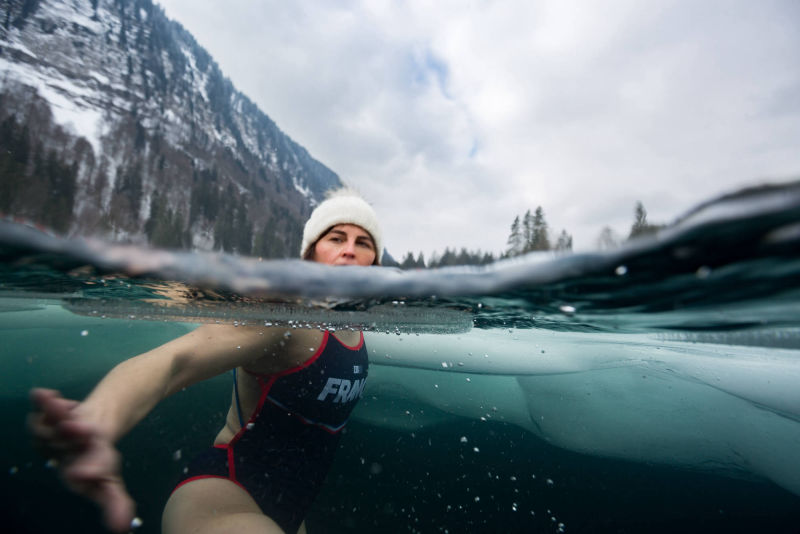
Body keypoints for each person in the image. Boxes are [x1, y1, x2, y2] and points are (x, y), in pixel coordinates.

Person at [28, 188, 383, 534]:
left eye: (362, 242)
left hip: (290, 516)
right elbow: (175, 361)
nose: (349, 251)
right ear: (310, 254)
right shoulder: (286, 322)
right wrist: (96, 423)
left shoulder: (357, 328)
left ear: (376, 264)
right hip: (223, 498)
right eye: (336, 238)